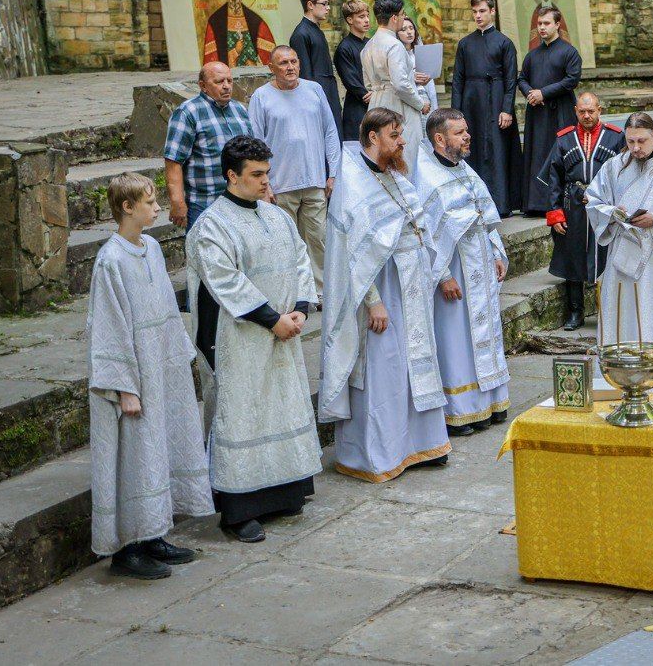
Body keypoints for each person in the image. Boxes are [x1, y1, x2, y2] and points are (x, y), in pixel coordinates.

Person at [186, 136, 323, 543]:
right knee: (243, 411)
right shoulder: (211, 225)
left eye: (267, 173)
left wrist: (299, 307)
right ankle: (238, 509)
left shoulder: (275, 214)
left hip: (284, 330)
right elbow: (224, 280)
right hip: (240, 337)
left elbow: (300, 257)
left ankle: (286, 491)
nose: (266, 182)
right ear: (232, 175)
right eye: (257, 175)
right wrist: (271, 319)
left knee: (282, 404)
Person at [87, 173, 213, 579]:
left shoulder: (153, 248)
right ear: (127, 207)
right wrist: (124, 386)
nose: (157, 208)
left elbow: (163, 307)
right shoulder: (110, 260)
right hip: (134, 373)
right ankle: (128, 548)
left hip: (161, 368)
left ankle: (154, 532)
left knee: (158, 449)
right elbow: (108, 326)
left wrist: (179, 356)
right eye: (149, 201)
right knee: (135, 454)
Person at [319, 108, 450, 481]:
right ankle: (378, 453)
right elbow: (352, 256)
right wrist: (373, 300)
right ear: (373, 137)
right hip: (379, 292)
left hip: (410, 287)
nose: (402, 142)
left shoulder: (394, 175)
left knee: (412, 364)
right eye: (395, 135)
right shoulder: (353, 183)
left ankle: (420, 443)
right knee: (383, 370)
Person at [414, 109, 511, 436]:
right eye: (459, 133)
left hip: (480, 264)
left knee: (485, 332)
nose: (467, 136)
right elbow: (426, 234)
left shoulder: (464, 169)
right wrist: (443, 276)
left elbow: (483, 215)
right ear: (440, 139)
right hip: (453, 270)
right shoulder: (425, 176)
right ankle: (462, 410)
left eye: (467, 130)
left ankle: (491, 400)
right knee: (457, 339)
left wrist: (496, 251)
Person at [586, 112, 653, 392]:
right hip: (622, 256)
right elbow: (593, 200)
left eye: (642, 141)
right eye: (631, 141)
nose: (636, 148)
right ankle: (619, 382)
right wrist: (613, 213)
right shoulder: (614, 167)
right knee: (622, 316)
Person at [247, 45, 340, 297]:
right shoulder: (261, 97)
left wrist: (333, 173)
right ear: (271, 68)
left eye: (293, 62)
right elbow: (255, 142)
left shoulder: (314, 90)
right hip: (280, 184)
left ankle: (320, 291)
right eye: (283, 63)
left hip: (314, 180)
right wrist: (264, 183)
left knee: (318, 238)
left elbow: (330, 132)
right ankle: (293, 292)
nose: (290, 67)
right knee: (286, 242)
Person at [537, 92, 625, 330]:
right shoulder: (564, 139)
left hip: (605, 206)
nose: (587, 116)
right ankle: (576, 312)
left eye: (591, 111)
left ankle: (608, 312)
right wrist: (554, 213)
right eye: (582, 112)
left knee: (607, 257)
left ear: (600, 110)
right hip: (572, 206)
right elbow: (554, 178)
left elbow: (626, 175)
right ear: (576, 111)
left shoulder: (616, 137)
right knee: (573, 258)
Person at [451, 0, 523, 217]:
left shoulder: (504, 43)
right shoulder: (464, 44)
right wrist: (455, 113)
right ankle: (473, 202)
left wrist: (506, 109)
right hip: (471, 101)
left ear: (492, 11)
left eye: (482, 11)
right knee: (470, 149)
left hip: (497, 99)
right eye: (474, 12)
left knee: (497, 150)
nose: (478, 16)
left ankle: (501, 203)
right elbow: (458, 79)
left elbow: (511, 79)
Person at [164, 62, 251, 230]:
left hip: (241, 201)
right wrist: (177, 202)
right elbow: (174, 161)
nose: (226, 86)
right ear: (203, 86)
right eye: (219, 82)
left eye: (229, 81)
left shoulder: (240, 110)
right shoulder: (187, 112)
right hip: (205, 204)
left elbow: (252, 156)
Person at [519, 4, 583, 216]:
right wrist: (530, 93)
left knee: (559, 154)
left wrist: (543, 93)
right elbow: (522, 78)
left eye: (547, 23)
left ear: (557, 24)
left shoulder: (569, 52)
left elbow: (571, 80)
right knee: (536, 155)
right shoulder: (532, 55)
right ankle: (536, 204)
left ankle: (559, 202)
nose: (542, 28)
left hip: (560, 112)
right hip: (537, 114)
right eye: (539, 24)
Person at [362, 0, 428, 174]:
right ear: (394, 18)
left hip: (376, 104)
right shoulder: (395, 46)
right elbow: (400, 85)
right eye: (401, 15)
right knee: (403, 159)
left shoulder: (367, 46)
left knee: (381, 159)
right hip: (397, 107)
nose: (402, 17)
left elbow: (368, 83)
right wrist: (421, 104)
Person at [289, 0, 341, 129]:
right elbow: (304, 75)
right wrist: (314, 101)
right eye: (324, 4)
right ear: (310, 5)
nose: (328, 8)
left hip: (327, 91)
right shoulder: (301, 34)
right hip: (317, 97)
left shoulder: (316, 30)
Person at [333, 0, 371, 142]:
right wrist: (368, 95)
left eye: (367, 16)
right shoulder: (344, 48)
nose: (367, 20)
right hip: (357, 107)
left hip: (376, 102)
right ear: (350, 19)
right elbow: (351, 80)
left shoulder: (371, 43)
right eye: (361, 17)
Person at [396, 15, 437, 119]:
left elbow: (430, 85)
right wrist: (412, 77)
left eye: (411, 28)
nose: (409, 32)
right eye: (403, 29)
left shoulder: (420, 53)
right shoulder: (396, 54)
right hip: (408, 98)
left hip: (425, 95)